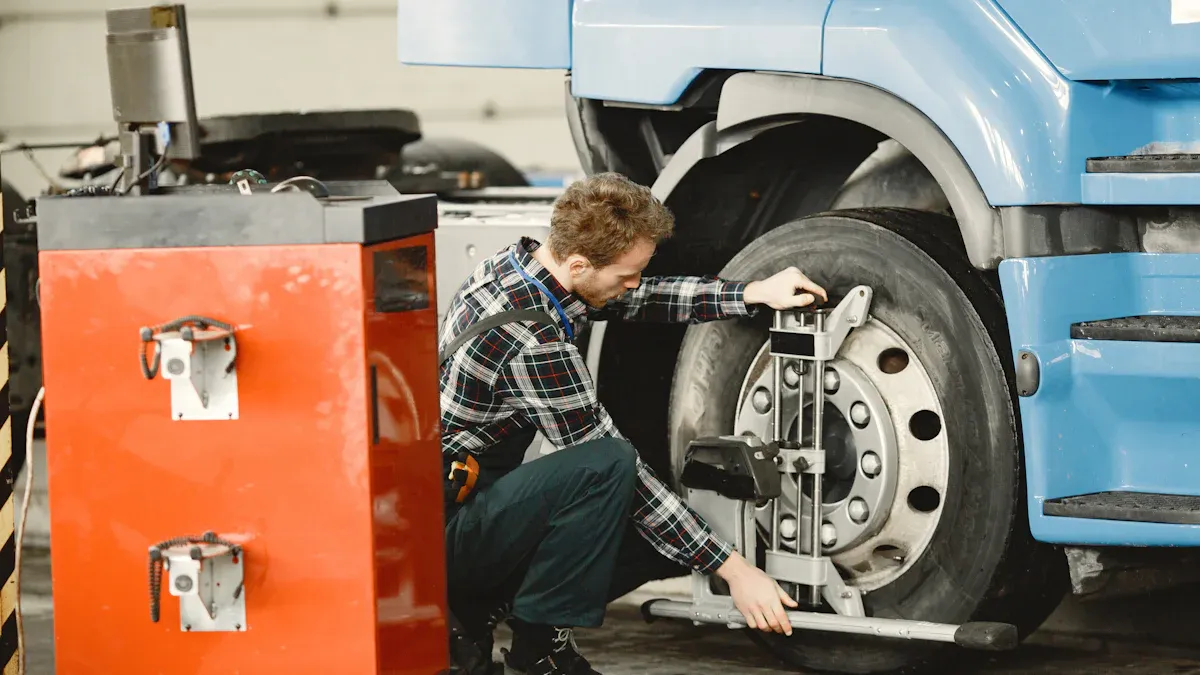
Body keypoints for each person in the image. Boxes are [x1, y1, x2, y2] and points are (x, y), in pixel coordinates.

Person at [438, 172, 827, 675]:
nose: (634, 283)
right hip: (447, 529)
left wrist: (752, 292)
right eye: (627, 273)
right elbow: (616, 468)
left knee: (665, 543)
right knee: (609, 467)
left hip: (471, 499)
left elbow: (640, 297)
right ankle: (538, 649)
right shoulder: (530, 340)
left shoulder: (525, 266)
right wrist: (736, 571)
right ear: (579, 264)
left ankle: (489, 602)